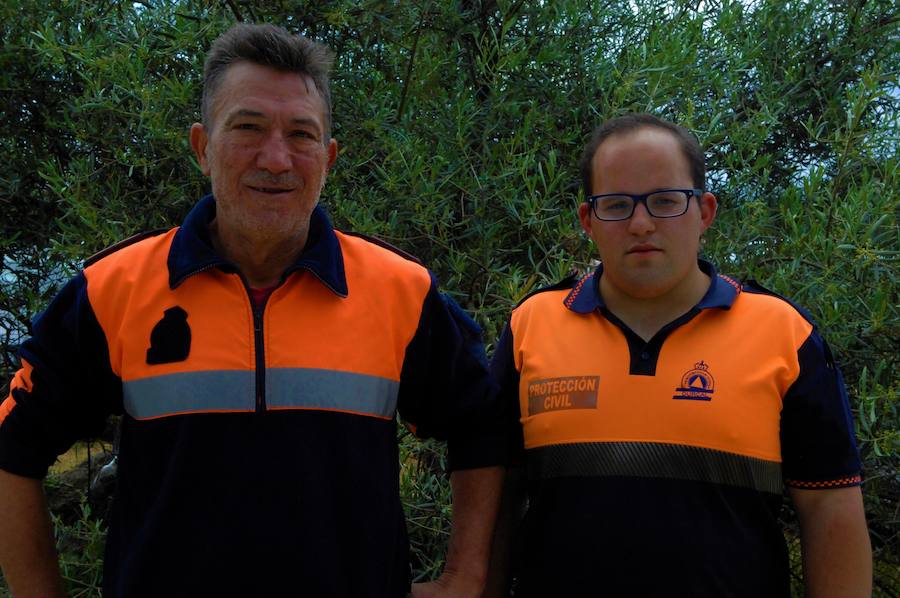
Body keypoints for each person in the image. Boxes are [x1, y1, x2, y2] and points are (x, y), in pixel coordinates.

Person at [0, 23, 504, 598]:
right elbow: (13, 449)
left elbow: (481, 426)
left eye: (301, 134)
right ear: (202, 147)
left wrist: (465, 578)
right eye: (248, 127)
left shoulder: (400, 291)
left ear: (329, 157)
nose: (276, 158)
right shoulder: (113, 290)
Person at [487, 113, 872, 597]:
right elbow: (495, 499)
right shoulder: (531, 326)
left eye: (666, 201)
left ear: (705, 211)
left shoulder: (783, 334)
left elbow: (831, 509)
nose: (641, 223)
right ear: (588, 219)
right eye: (617, 205)